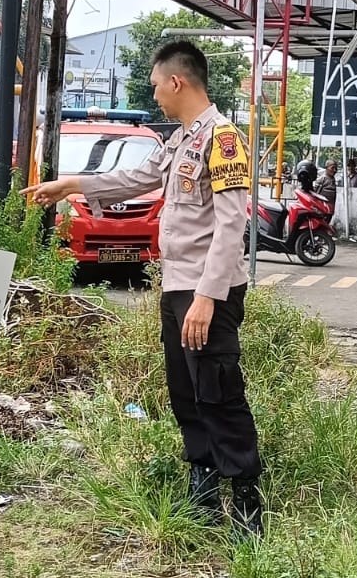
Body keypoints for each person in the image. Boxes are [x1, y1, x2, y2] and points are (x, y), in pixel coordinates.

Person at [21, 41, 264, 536]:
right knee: (185, 391)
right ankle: (202, 481)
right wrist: (71, 185)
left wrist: (207, 297)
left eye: (155, 85)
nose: (154, 95)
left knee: (218, 391)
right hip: (177, 287)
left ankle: (245, 502)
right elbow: (135, 179)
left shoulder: (223, 140)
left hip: (206, 292)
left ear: (177, 81)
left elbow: (230, 227)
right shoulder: (179, 141)